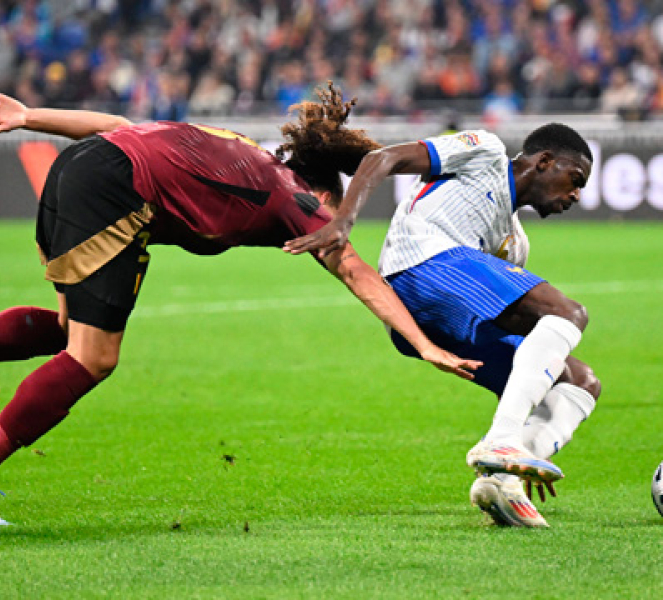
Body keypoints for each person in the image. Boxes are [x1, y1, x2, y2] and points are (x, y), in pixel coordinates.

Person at [0, 85, 482, 524]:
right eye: (332, 212)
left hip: (78, 168)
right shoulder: (295, 199)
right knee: (93, 357)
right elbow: (356, 271)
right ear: (322, 195)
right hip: (115, 191)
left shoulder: (239, 149)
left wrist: (27, 117)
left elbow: (118, 128)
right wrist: (424, 345)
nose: (329, 225)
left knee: (70, 331)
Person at [284, 124, 601, 528]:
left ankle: (505, 478)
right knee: (569, 314)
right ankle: (502, 443)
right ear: (544, 161)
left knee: (579, 380)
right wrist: (344, 220)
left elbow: (530, 355)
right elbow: (383, 158)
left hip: (431, 321)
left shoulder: (514, 243)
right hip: (418, 267)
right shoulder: (485, 151)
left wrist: (534, 439)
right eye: (575, 180)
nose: (576, 195)